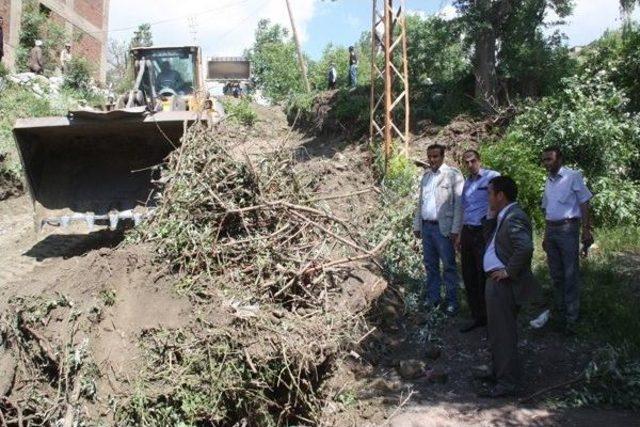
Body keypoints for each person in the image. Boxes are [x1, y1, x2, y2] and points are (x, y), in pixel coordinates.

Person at [479, 176, 537, 398]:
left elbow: (525, 248)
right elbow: (491, 242)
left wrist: (508, 271)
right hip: (495, 282)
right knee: (496, 332)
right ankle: (499, 373)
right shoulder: (503, 215)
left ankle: (508, 383)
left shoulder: (515, 217)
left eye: (490, 193)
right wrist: (491, 216)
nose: (488, 197)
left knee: (503, 334)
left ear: (500, 195)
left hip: (503, 284)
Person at [541, 146, 593, 334]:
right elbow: (548, 210)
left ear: (559, 159)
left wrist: (586, 230)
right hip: (552, 229)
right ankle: (560, 312)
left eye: (550, 159)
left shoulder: (573, 176)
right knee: (556, 274)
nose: (547, 163)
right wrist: (545, 235)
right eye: (545, 160)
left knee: (570, 273)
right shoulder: (548, 181)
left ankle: (572, 317)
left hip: (568, 228)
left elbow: (584, 202)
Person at [413, 144, 464, 316]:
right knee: (430, 265)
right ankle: (433, 298)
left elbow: (459, 205)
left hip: (444, 229)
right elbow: (420, 203)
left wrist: (456, 230)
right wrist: (417, 225)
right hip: (427, 227)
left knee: (449, 266)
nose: (432, 160)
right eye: (430, 156)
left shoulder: (452, 175)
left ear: (442, 157)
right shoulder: (426, 177)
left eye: (435, 156)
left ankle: (452, 302)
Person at [458, 150, 500, 333]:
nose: (470, 165)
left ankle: (493, 316)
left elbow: (501, 201)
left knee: (485, 273)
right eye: (466, 162)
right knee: (469, 274)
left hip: (484, 231)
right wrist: (459, 234)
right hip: (468, 230)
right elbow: (464, 209)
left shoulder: (492, 177)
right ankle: (477, 316)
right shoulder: (467, 183)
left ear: (479, 160)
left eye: (472, 161)